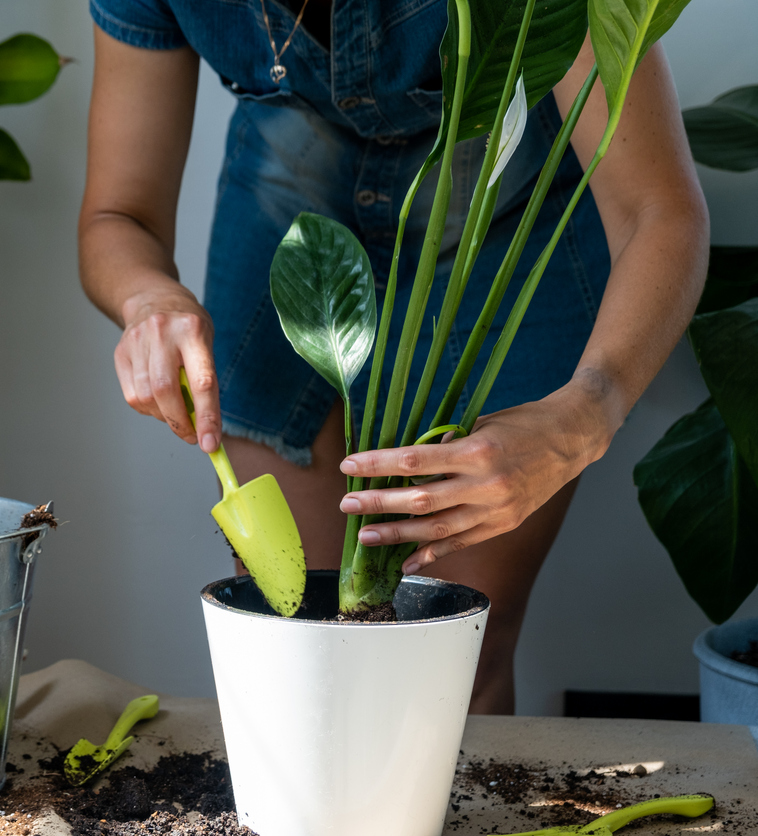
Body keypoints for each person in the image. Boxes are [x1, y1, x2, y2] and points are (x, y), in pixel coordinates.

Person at [77, 0, 708, 713]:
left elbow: (660, 210)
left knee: (452, 666)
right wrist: (148, 300)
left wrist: (588, 412)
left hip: (502, 227)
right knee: (299, 654)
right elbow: (116, 218)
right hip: (291, 216)